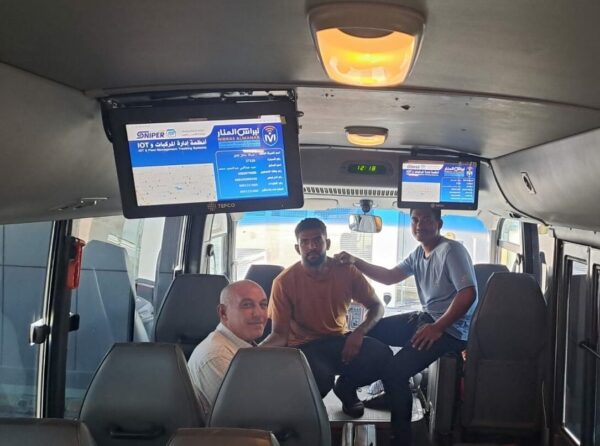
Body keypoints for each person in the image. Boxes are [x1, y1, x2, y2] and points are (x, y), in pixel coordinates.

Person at [335, 207, 477, 445]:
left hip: (450, 330)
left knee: (395, 374)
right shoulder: (418, 254)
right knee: (370, 332)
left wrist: (438, 327)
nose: (420, 225)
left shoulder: (451, 251)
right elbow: (390, 276)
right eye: (415, 220)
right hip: (427, 318)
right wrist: (354, 260)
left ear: (439, 223)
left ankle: (401, 439)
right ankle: (348, 386)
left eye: (427, 220)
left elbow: (468, 293)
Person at [261, 218, 391, 417]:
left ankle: (346, 389)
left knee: (382, 355)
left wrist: (358, 333)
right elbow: (279, 335)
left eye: (317, 240)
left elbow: (377, 307)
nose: (311, 246)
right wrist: (249, 355)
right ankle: (303, 418)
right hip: (304, 347)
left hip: (340, 341)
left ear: (327, 244)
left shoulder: (347, 271)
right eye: (305, 242)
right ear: (298, 248)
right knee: (322, 378)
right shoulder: (283, 282)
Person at [187, 280, 268, 417]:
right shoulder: (217, 355)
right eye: (247, 305)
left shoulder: (244, 347)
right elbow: (246, 416)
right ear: (223, 312)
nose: (259, 314)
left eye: (263, 305)